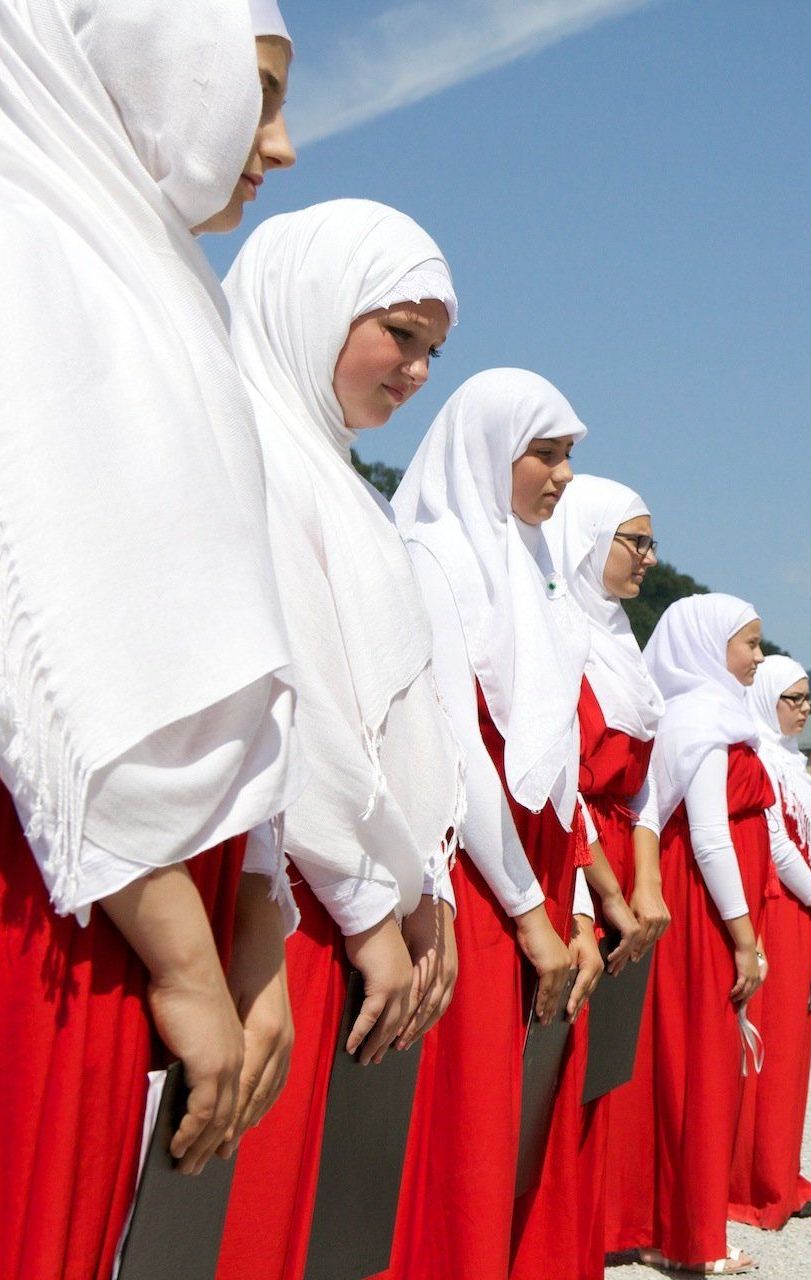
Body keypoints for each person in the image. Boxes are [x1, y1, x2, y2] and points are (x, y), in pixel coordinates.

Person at [0, 3, 303, 1274]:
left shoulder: (149, 278)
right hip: (64, 892)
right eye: (259, 91)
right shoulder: (31, 260)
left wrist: (253, 911)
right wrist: (188, 954)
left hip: (147, 893)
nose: (280, 145)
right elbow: (44, 639)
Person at [215, 198, 467, 1280]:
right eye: (399, 335)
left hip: (361, 894)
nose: (415, 372)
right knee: (255, 1213)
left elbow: (406, 713)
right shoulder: (260, 453)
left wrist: (426, 886)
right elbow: (302, 702)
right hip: (301, 903)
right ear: (312, 306)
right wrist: (374, 906)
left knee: (319, 1217)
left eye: (431, 351)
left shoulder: (337, 477)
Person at [385, 369, 639, 1279]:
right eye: (546, 452)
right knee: (464, 1134)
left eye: (570, 454)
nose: (563, 474)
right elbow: (462, 756)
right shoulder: (431, 558)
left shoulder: (523, 572)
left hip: (531, 882)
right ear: (489, 451)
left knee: (510, 1132)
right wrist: (533, 916)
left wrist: (568, 903)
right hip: (476, 880)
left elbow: (557, 768)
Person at [515, 474, 670, 1279]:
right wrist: (599, 894)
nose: (648, 557)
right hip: (570, 859)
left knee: (593, 1076)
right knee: (551, 1070)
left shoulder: (619, 639)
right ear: (587, 539)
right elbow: (561, 780)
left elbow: (646, 781)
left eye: (649, 542)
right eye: (634, 540)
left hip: (614, 859)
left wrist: (644, 886)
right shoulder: (555, 631)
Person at [632, 595, 776, 1275]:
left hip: (708, 906)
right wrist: (743, 936)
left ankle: (680, 1224)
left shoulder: (715, 713)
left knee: (694, 1064)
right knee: (702, 1067)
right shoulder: (701, 717)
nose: (757, 655)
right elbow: (712, 838)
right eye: (748, 643)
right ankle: (693, 1238)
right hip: (703, 909)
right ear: (706, 645)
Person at [730, 658, 811, 1230]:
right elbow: (778, 845)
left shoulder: (791, 763)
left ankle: (782, 1173)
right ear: (765, 698)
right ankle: (760, 1184)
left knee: (793, 1052)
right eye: (792, 698)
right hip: (782, 908)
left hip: (805, 909)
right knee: (772, 1051)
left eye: (807, 698)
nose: (804, 708)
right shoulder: (763, 762)